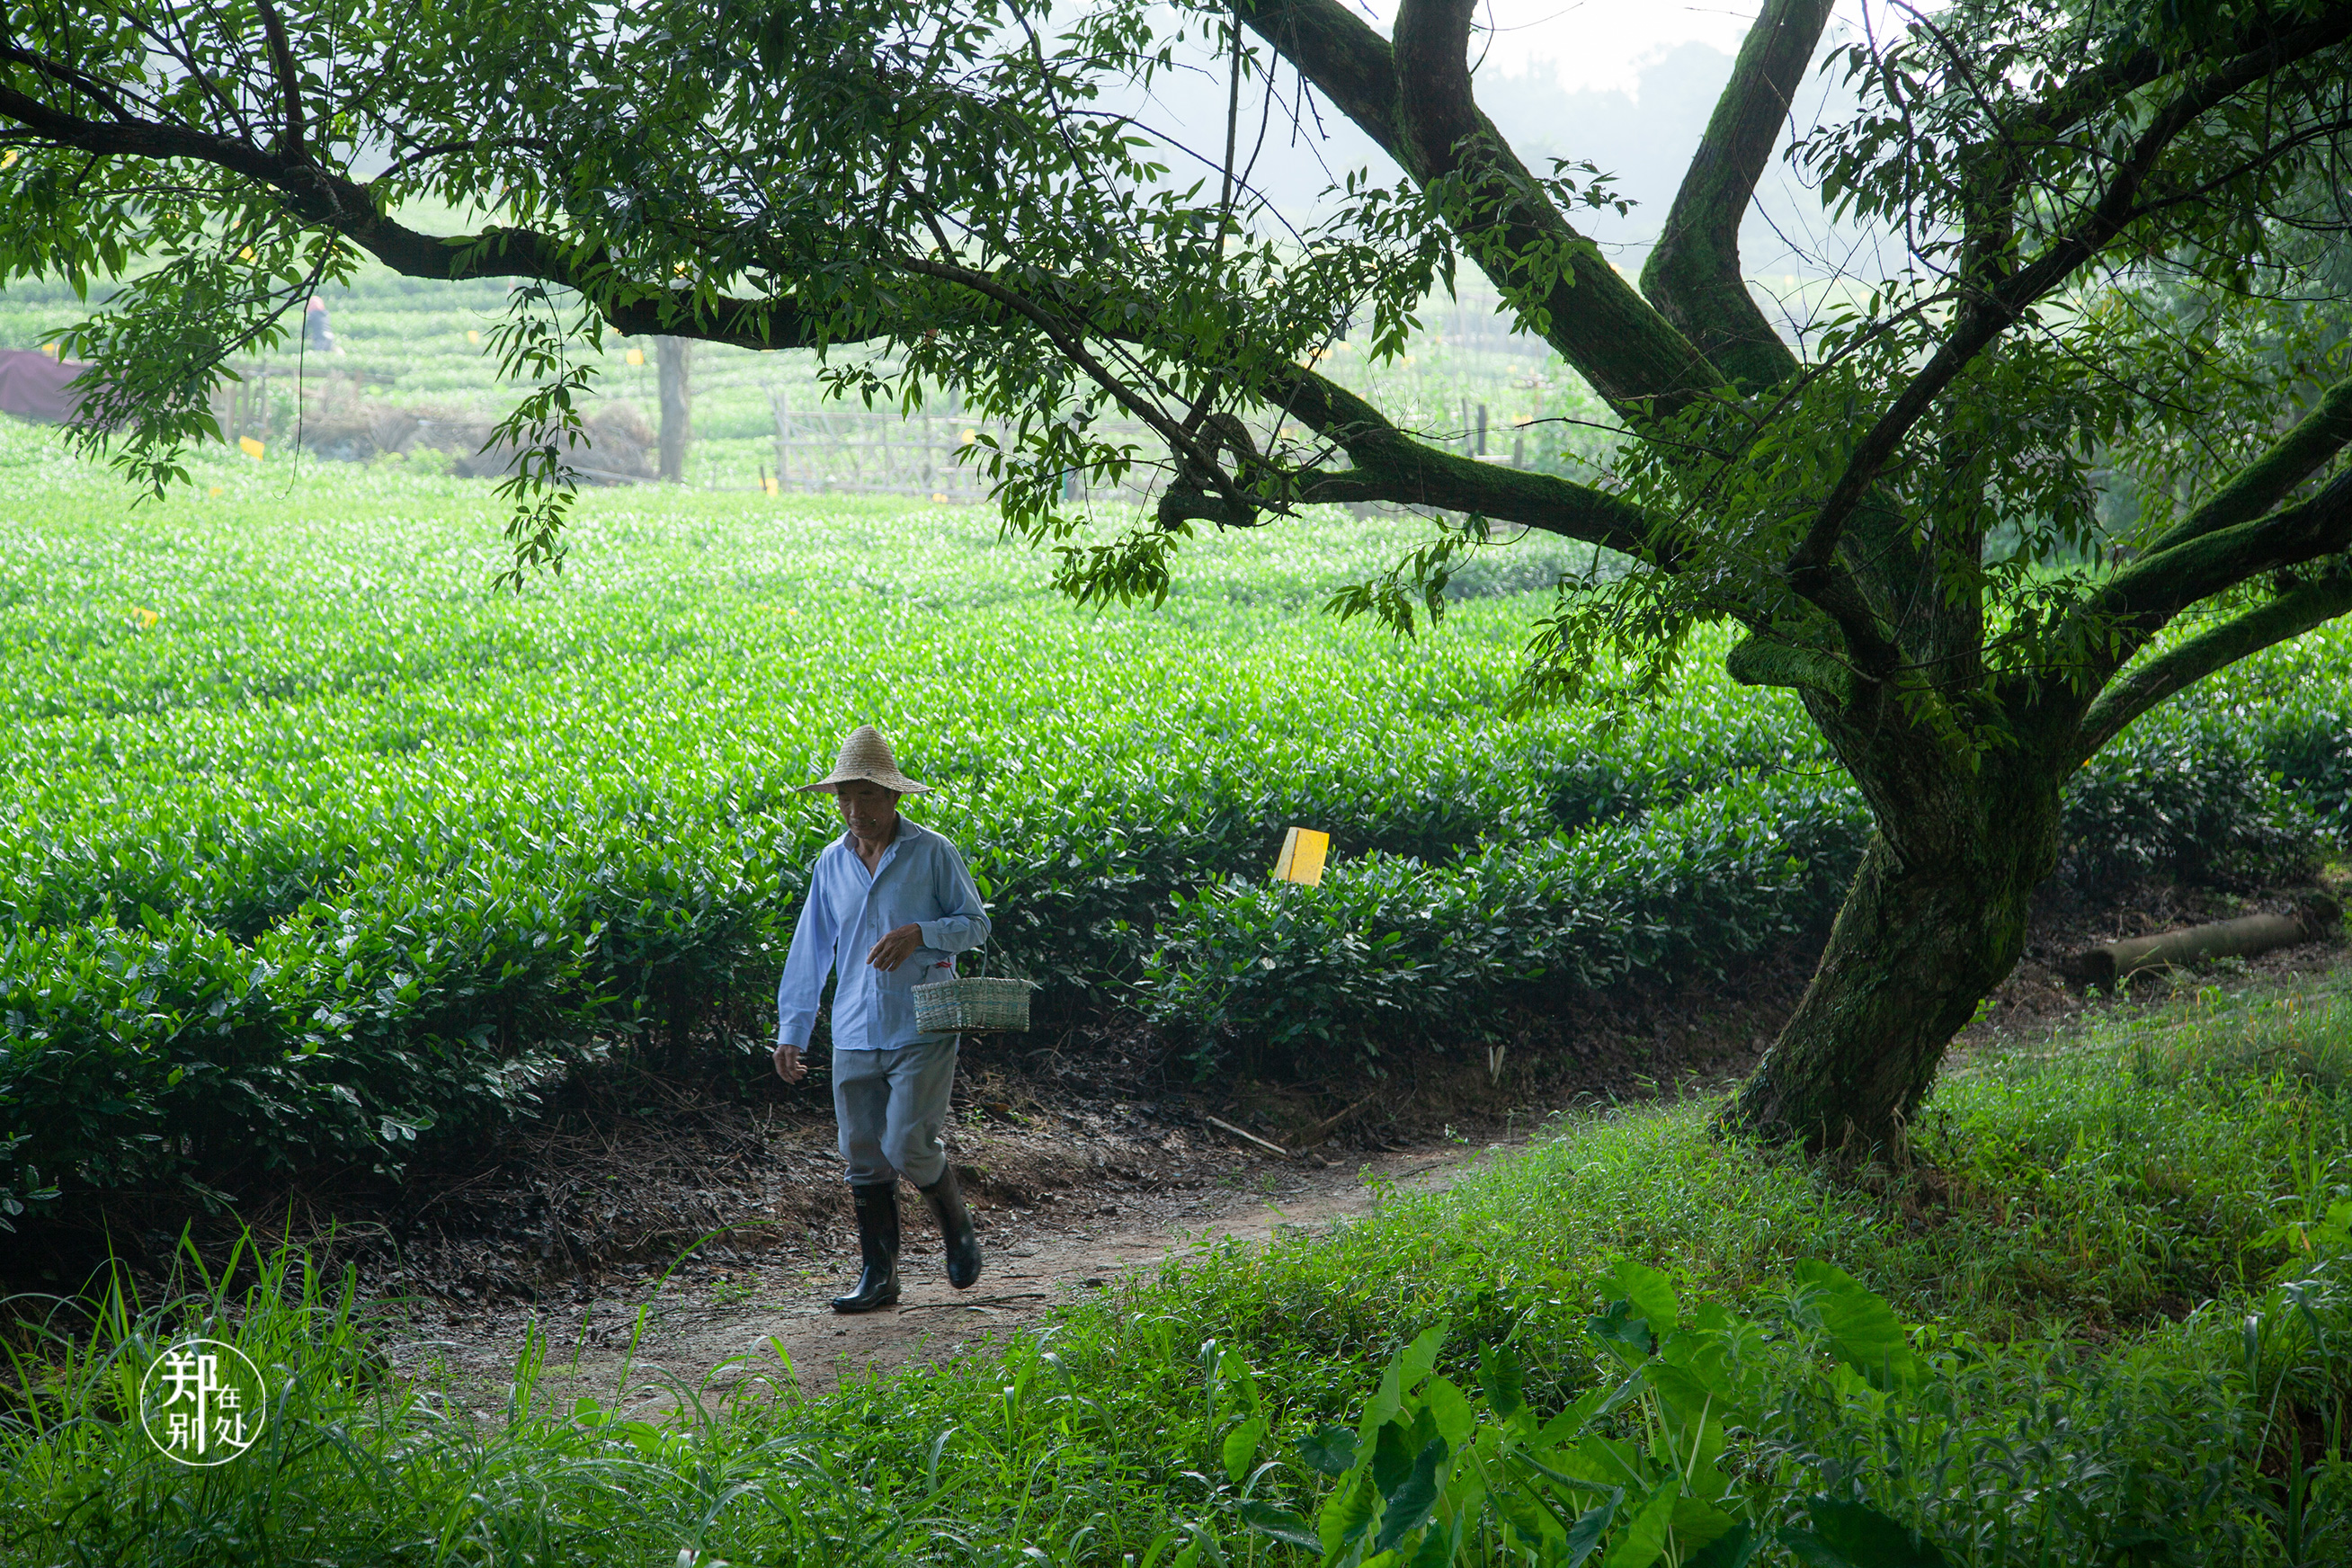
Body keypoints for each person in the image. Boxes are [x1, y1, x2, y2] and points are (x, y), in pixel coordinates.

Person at [774, 725, 990, 1312]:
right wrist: (793, 1030)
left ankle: (958, 1227)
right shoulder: (832, 864)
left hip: (924, 1018)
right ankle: (879, 1275)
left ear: (893, 798)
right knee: (862, 1149)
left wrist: (921, 932)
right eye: (845, 797)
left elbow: (975, 924)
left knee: (906, 1142)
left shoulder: (932, 853)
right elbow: (811, 950)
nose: (854, 810)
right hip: (854, 1026)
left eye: (867, 795)